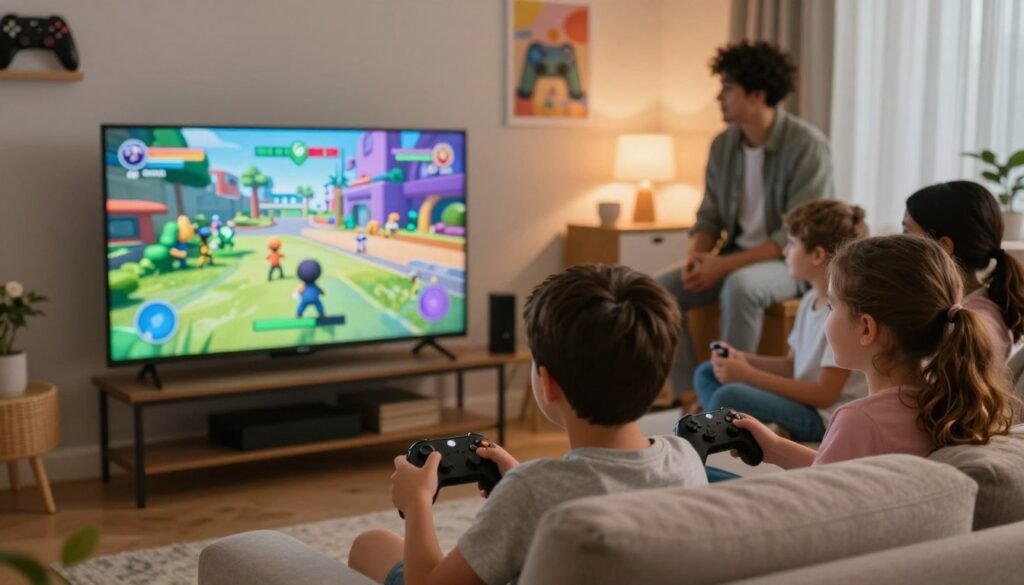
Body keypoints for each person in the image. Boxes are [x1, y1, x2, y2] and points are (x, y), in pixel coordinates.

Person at [347, 264, 707, 585]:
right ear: (660, 378)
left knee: (372, 544)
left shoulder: (529, 492)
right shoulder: (686, 459)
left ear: (548, 383)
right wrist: (521, 480)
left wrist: (417, 504)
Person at [732, 235, 1019, 471]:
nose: (827, 317)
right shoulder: (948, 404)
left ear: (867, 329)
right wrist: (776, 448)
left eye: (832, 307)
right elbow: (847, 474)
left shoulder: (859, 421)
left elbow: (819, 497)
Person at [657, 40, 834, 397]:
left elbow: (796, 236)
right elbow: (708, 216)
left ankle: (730, 399)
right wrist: (698, 258)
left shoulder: (807, 146)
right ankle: (691, 394)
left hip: (790, 263)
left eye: (727, 88)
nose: (718, 97)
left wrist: (722, 266)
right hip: (736, 256)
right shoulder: (723, 145)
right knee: (656, 291)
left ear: (756, 94)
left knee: (742, 286)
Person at [694, 200, 869, 443]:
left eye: (792, 244)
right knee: (706, 372)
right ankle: (726, 424)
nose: (785, 251)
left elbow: (824, 395)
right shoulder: (809, 300)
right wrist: (742, 360)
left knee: (729, 395)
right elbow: (792, 365)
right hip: (803, 403)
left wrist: (747, 375)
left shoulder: (842, 311)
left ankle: (717, 425)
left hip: (823, 418)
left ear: (817, 255)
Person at [903, 180, 1024, 359]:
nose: (898, 242)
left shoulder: (972, 326)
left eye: (906, 232)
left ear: (943, 247)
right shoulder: (964, 311)